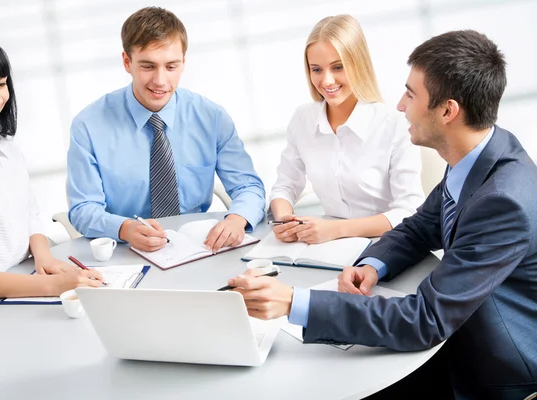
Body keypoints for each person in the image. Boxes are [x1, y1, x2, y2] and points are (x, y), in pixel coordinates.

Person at [228, 30, 537, 398]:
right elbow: (422, 226)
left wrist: (294, 302)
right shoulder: (480, 154)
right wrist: (374, 264)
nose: (401, 105)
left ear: (448, 111)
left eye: (411, 94)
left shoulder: (503, 200)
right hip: (457, 325)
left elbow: (426, 320)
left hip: (492, 365)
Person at [0, 28, 104, 328]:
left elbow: (29, 215)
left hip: (23, 289)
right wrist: (54, 287)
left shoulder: (8, 150)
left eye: (1, 84)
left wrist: (45, 258)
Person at [66, 7, 266, 253]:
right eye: (148, 66)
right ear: (127, 62)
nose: (160, 81)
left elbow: (248, 187)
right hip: (127, 251)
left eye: (171, 67)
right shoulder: (89, 125)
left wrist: (237, 218)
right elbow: (83, 208)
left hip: (199, 248)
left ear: (183, 63)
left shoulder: (211, 117)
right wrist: (125, 228)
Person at [269, 15, 423, 244]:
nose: (327, 81)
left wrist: (336, 229)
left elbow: (408, 210)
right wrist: (285, 221)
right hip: (326, 244)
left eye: (338, 67)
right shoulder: (303, 119)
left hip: (386, 243)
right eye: (317, 69)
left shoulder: (393, 122)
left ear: (358, 63)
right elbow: (285, 186)